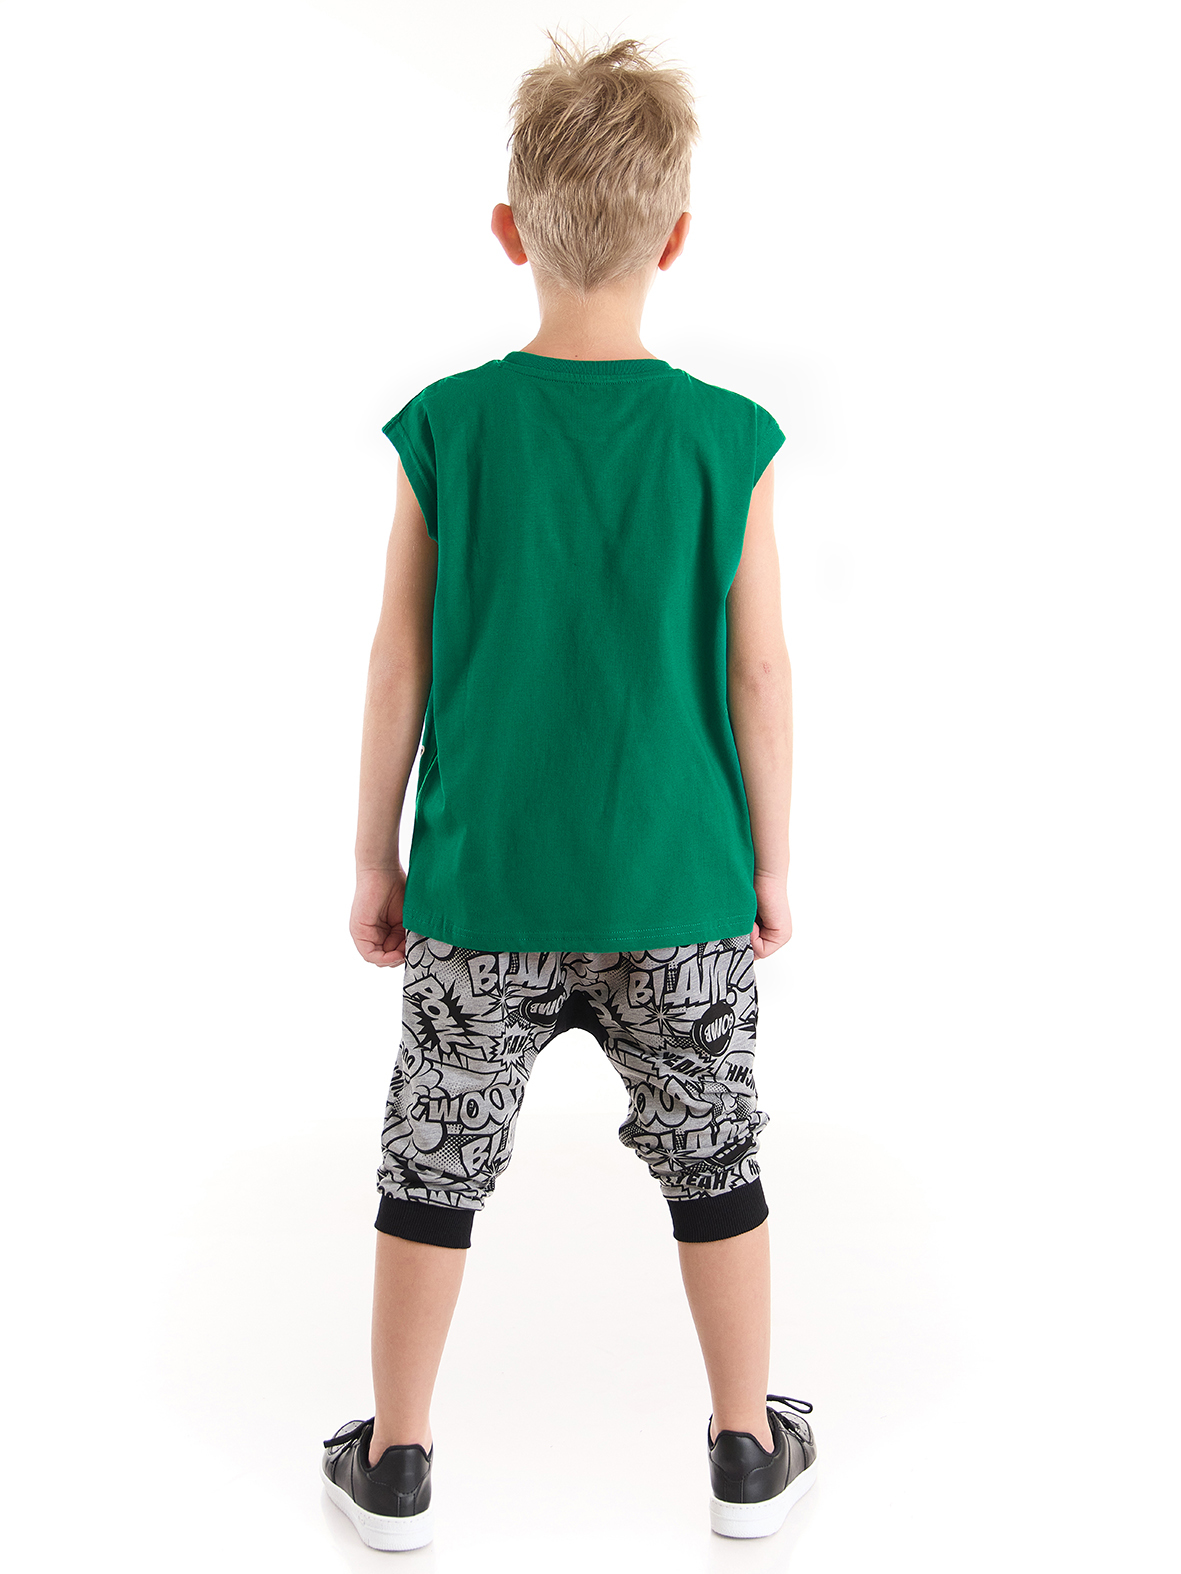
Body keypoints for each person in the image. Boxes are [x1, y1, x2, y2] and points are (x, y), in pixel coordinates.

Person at [320, 29, 816, 1551]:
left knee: (432, 1165)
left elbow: (399, 662)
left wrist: (374, 860)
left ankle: (397, 1460)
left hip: (481, 890)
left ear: (508, 230)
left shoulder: (446, 427)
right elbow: (759, 673)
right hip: (681, 887)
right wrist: (770, 864)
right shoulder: (729, 440)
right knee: (715, 1162)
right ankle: (746, 1448)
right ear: (675, 237)